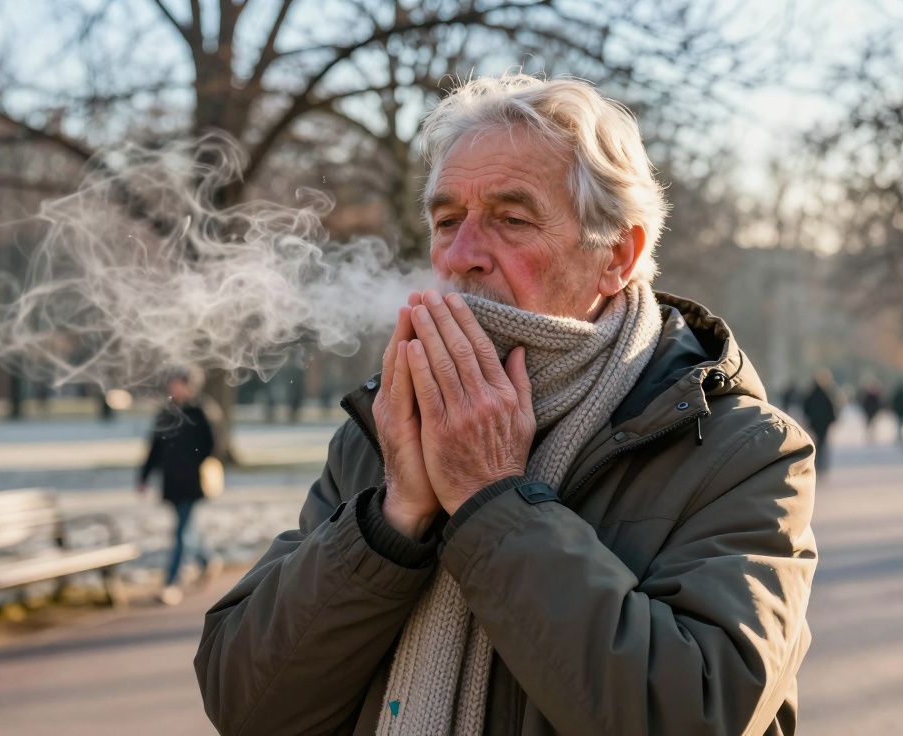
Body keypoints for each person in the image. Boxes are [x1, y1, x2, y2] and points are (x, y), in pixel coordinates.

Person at [195, 75, 817, 735]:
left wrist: (491, 499)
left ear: (618, 254)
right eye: (445, 222)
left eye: (512, 219)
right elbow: (247, 705)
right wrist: (392, 519)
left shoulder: (745, 452)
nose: (461, 258)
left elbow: (695, 716)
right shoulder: (386, 430)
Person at [138, 369, 216, 605]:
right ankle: (205, 559)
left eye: (179, 385)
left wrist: (193, 463)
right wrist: (144, 476)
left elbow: (211, 445)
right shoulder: (165, 414)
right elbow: (154, 448)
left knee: (181, 532)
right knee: (186, 528)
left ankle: (171, 583)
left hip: (192, 482)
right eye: (172, 385)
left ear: (189, 386)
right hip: (170, 482)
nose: (175, 389)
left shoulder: (199, 411)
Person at [802, 370, 840, 474]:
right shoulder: (827, 394)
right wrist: (832, 420)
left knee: (817, 443)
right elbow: (832, 408)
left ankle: (817, 463)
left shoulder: (811, 394)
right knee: (822, 443)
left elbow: (806, 408)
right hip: (824, 423)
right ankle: (821, 464)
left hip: (815, 423)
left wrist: (808, 419)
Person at [857, 378, 883, 444]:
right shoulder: (870, 396)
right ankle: (869, 436)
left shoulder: (873, 396)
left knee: (872, 425)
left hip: (872, 413)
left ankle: (871, 436)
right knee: (870, 425)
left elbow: (878, 405)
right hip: (869, 413)